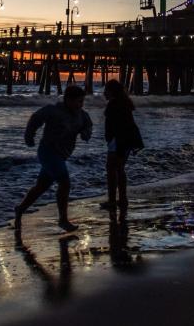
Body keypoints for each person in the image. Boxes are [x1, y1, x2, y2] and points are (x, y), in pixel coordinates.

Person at [14, 86, 92, 232]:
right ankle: (63, 220)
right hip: (47, 152)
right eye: (78, 101)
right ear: (68, 99)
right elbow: (35, 119)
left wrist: (86, 133)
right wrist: (29, 136)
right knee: (65, 182)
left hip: (61, 155)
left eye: (82, 101)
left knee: (41, 187)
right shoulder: (53, 110)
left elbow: (88, 126)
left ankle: (20, 209)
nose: (80, 105)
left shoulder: (82, 115)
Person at [101, 79, 144, 215]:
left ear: (112, 92)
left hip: (118, 141)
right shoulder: (124, 103)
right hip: (127, 140)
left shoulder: (114, 104)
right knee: (120, 169)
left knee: (111, 169)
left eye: (106, 90)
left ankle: (113, 200)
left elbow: (117, 127)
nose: (103, 93)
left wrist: (115, 143)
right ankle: (122, 199)